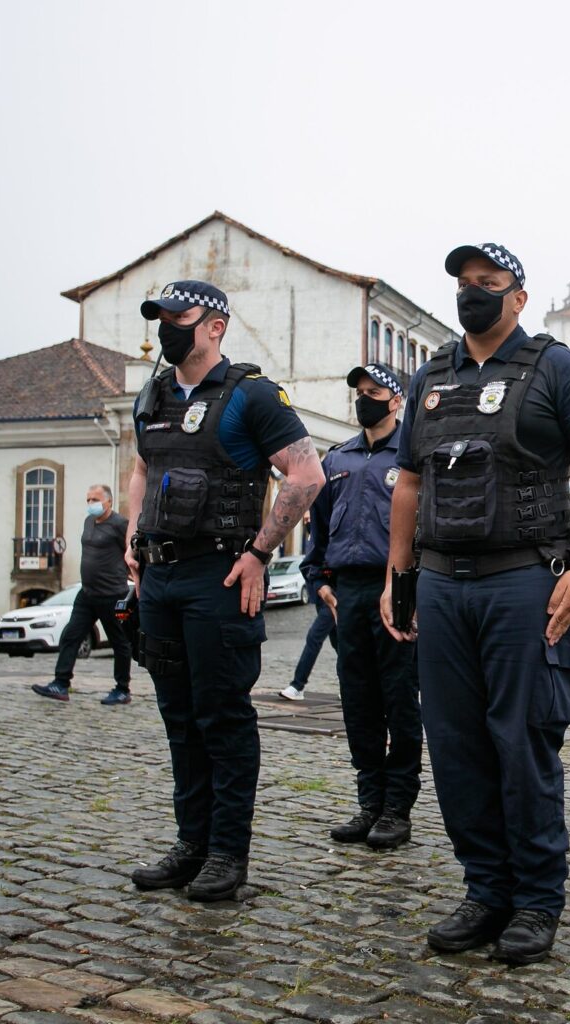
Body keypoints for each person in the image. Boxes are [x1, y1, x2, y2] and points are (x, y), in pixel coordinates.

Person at [384, 243, 570, 965]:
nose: (473, 295)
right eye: (465, 285)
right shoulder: (431, 376)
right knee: (457, 748)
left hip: (522, 583)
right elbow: (408, 482)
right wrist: (399, 579)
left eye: (488, 284)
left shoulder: (556, 367)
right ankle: (485, 889)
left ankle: (535, 900)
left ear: (518, 297)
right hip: (441, 583)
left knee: (522, 745)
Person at [124, 280, 325, 903]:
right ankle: (191, 842)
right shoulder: (151, 394)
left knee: (222, 718)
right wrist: (134, 532)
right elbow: (142, 467)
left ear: (215, 325)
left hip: (219, 576)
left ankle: (226, 854)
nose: (167, 327)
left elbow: (306, 473)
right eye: (159, 317)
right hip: (160, 577)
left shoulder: (251, 395)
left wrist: (260, 552)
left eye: (178, 317)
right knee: (178, 717)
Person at [304, 363, 422, 850]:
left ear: (396, 400)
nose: (364, 399)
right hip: (347, 590)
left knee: (398, 698)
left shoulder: (412, 457)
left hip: (393, 587)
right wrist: (317, 581)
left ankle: (398, 807)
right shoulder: (337, 459)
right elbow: (319, 524)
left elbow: (423, 525)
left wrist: (410, 589)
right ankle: (369, 802)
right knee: (358, 700)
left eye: (374, 392)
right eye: (359, 392)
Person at [30, 484, 134, 705]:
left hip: (112, 594)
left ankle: (122, 689)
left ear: (108, 502)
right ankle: (60, 684)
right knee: (71, 635)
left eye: (95, 500)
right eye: (88, 500)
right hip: (87, 593)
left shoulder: (119, 524)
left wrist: (132, 575)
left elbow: (131, 552)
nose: (90, 504)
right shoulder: (88, 522)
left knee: (119, 642)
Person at [280, 512, 336, 701]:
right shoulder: (314, 536)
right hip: (320, 596)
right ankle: (352, 685)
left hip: (333, 594)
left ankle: (297, 685)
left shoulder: (326, 530)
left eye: (309, 515)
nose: (305, 517)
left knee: (314, 638)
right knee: (341, 644)